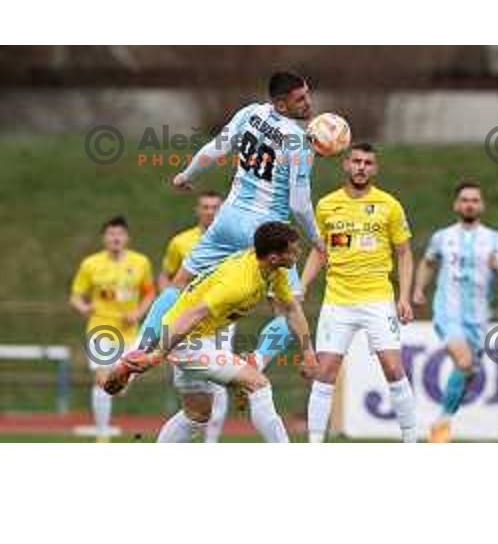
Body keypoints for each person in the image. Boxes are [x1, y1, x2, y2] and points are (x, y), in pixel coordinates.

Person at [135, 71, 323, 373]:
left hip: (227, 220)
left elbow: (216, 149)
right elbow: (299, 205)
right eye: (300, 98)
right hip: (265, 233)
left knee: (179, 282)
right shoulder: (299, 143)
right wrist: (315, 238)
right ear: (281, 105)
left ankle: (138, 348)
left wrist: (187, 175)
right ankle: (257, 362)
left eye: (307, 94)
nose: (308, 102)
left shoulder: (250, 113)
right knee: (289, 308)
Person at [106, 222, 315, 443]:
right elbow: (192, 314)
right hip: (186, 339)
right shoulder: (239, 283)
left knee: (196, 415)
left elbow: (292, 309)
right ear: (274, 257)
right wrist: (158, 354)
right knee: (259, 384)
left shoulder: (271, 270)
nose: (298, 253)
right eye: (293, 250)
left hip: (191, 334)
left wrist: (308, 353)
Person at [302, 143, 417, 443]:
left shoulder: (389, 205)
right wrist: (302, 285)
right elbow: (319, 251)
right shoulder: (326, 205)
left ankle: (411, 439)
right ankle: (314, 443)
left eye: (368, 163)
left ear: (374, 169)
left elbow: (404, 253)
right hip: (338, 301)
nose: (361, 167)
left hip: (377, 299)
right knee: (324, 371)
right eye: (356, 161)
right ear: (345, 164)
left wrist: (403, 296)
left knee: (393, 367)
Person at [413, 179, 498, 443]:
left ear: (482, 205)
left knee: (469, 373)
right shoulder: (443, 237)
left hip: (479, 319)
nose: (470, 204)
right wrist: (418, 289)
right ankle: (442, 425)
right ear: (456, 205)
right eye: (465, 200)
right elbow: (428, 262)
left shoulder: (494, 239)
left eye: (475, 200)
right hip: (448, 312)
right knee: (465, 362)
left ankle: (441, 421)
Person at [70, 216, 155, 442]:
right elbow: (76, 296)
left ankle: (105, 425)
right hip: (101, 329)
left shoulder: (141, 263)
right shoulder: (91, 264)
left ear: (126, 237)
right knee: (101, 381)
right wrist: (84, 307)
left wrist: (138, 312)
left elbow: (149, 293)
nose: (115, 237)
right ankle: (102, 436)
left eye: (119, 234)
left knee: (119, 386)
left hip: (129, 332)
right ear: (104, 238)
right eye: (111, 234)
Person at [159, 190, 231, 443]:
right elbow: (167, 277)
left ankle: (210, 443)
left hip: (221, 323)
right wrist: (168, 307)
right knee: (193, 392)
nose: (210, 212)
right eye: (206, 207)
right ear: (197, 210)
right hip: (188, 322)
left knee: (220, 381)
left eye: (215, 207)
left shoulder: (232, 241)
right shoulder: (181, 242)